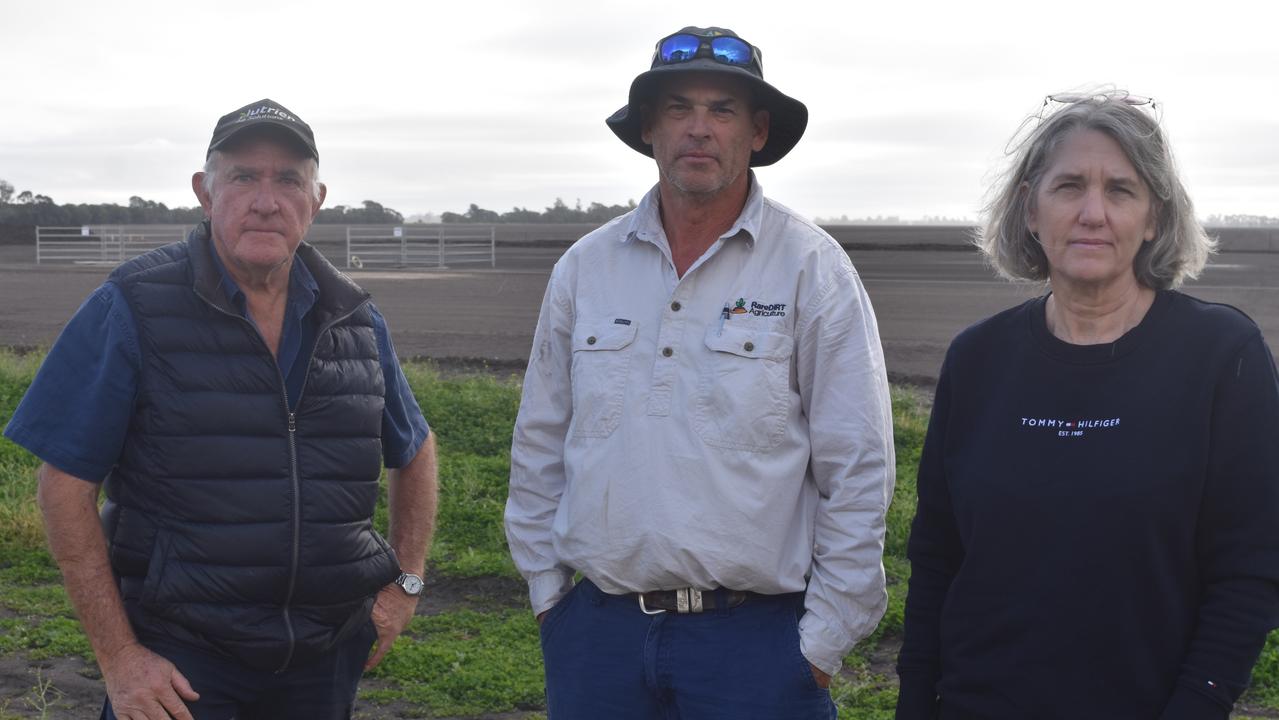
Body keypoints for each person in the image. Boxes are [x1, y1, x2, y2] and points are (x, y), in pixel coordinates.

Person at [504, 26, 896, 719]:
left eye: (722, 111)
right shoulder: (586, 269)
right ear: (649, 129)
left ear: (756, 132)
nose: (698, 128)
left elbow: (857, 464)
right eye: (679, 108)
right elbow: (539, 443)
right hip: (599, 638)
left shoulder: (810, 267)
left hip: (757, 643)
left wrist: (822, 640)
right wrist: (549, 596)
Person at [3, 99, 438, 720]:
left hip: (324, 660)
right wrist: (120, 658)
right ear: (205, 193)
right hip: (182, 665)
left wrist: (407, 582)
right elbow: (64, 487)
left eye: (289, 179)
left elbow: (414, 448)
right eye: (242, 176)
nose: (267, 200)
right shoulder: (132, 307)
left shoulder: (354, 318)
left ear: (315, 200)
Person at [895, 92, 1279, 719]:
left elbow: (1251, 570)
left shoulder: (1221, 356)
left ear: (1154, 217)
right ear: (1030, 210)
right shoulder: (978, 360)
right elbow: (937, 557)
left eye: (1121, 190)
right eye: (1069, 186)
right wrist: (915, 702)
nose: (1092, 212)